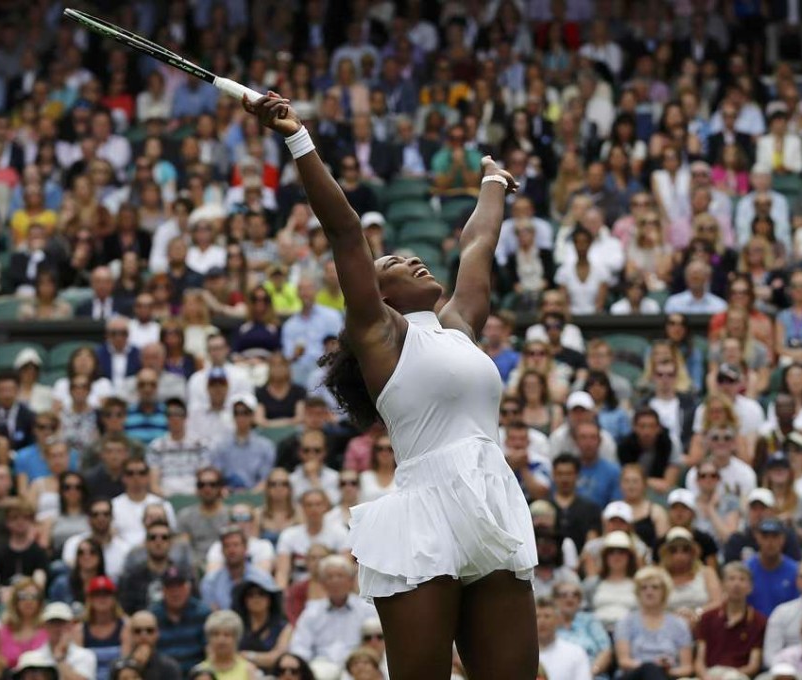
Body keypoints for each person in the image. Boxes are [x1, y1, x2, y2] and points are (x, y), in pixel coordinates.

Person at [244, 94, 537, 678]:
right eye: (393, 264)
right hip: (425, 513)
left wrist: (493, 184)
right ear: (373, 295)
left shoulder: (457, 326)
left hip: (490, 497)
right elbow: (347, 232)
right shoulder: (380, 334)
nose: (412, 261)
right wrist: (298, 138)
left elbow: (477, 246)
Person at [614, 566, 694, 680]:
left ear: (664, 591)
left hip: (668, 676)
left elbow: (687, 667)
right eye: (643, 588)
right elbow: (624, 661)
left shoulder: (679, 624)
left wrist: (667, 670)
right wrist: (653, 665)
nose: (649, 591)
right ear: (637, 592)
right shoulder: (626, 622)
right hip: (634, 675)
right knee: (649, 668)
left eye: (655, 587)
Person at [693, 562, 765, 679]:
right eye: (731, 579)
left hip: (737, 674)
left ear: (750, 587)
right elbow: (699, 660)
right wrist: (707, 677)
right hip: (709, 673)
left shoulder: (758, 621)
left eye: (742, 579)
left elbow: (753, 665)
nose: (736, 584)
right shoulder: (707, 617)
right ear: (722, 585)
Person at [745, 519, 799, 617]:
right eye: (765, 537)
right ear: (757, 538)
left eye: (775, 536)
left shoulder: (795, 571)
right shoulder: (746, 570)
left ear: (783, 539)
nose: (770, 542)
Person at [32, 602, 97, 680]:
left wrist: (60, 658)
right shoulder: (32, 657)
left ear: (71, 625)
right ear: (45, 626)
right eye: (52, 623)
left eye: (61, 623)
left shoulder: (86, 655)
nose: (57, 628)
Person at [534, 596, 592, 680]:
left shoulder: (575, 653)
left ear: (558, 620)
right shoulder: (522, 655)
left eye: (547, 616)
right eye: (537, 616)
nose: (541, 621)